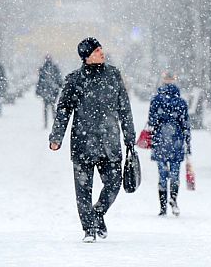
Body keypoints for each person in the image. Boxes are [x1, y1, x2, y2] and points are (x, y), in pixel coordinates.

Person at [49, 37, 136, 243]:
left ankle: (98, 213)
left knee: (114, 184)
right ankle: (88, 229)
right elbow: (63, 111)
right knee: (83, 190)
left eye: (101, 49)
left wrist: (129, 136)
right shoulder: (74, 80)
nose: (101, 52)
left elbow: (124, 107)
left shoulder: (113, 75)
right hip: (83, 143)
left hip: (110, 143)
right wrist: (56, 137)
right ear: (86, 56)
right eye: (97, 50)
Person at [146, 71, 191, 217]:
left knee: (162, 174)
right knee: (175, 173)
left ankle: (162, 206)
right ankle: (174, 199)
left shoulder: (156, 100)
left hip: (160, 141)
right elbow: (186, 125)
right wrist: (188, 144)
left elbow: (151, 121)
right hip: (176, 141)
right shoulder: (181, 102)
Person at [36, 55, 63, 128]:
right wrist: (60, 85)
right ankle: (54, 122)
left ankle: (47, 123)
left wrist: (38, 90)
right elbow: (59, 78)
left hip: (48, 91)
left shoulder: (44, 68)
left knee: (47, 107)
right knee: (52, 106)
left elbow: (40, 81)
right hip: (52, 90)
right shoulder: (53, 68)